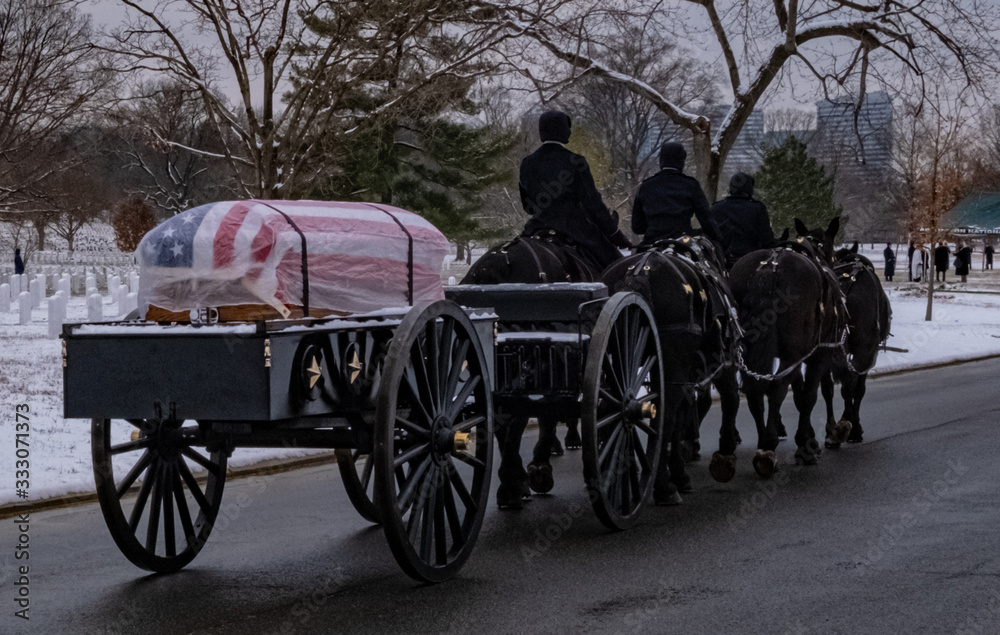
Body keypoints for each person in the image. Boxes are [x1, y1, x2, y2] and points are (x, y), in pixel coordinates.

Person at [519, 110, 630, 270]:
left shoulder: (527, 163)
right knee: (618, 267)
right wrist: (615, 234)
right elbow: (593, 205)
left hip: (536, 227)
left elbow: (528, 207)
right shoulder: (575, 161)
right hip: (575, 229)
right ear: (564, 131)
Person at [631, 142, 723, 246]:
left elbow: (637, 227)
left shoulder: (645, 186)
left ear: (661, 160)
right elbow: (707, 220)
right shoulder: (691, 185)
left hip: (651, 242)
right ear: (682, 161)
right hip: (683, 242)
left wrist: (656, 228)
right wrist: (717, 236)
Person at [710, 172, 776, 267]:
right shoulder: (758, 208)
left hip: (722, 263)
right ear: (750, 189)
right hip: (752, 262)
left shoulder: (716, 208)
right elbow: (767, 240)